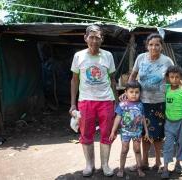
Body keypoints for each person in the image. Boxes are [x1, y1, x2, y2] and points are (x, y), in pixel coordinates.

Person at [69, 25, 117, 177]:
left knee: (106, 133)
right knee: (86, 134)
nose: (94, 40)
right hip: (86, 101)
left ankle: (105, 165)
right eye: (91, 37)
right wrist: (72, 104)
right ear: (85, 38)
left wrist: (115, 102)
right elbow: (74, 80)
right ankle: (89, 165)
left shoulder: (108, 55)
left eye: (97, 37)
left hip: (106, 100)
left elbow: (113, 80)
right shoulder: (79, 56)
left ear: (102, 39)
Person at [126, 33, 174, 172]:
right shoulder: (141, 58)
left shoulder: (167, 61)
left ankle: (158, 162)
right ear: (147, 46)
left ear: (162, 46)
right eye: (151, 44)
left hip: (159, 102)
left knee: (158, 134)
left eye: (157, 44)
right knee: (143, 133)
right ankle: (144, 161)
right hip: (142, 102)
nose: (154, 47)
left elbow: (174, 78)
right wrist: (127, 92)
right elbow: (133, 76)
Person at [109, 81, 150, 178]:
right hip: (125, 133)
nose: (134, 94)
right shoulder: (122, 105)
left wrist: (146, 132)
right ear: (126, 92)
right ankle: (121, 169)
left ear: (140, 93)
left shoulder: (140, 105)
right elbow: (117, 118)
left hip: (137, 132)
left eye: (137, 92)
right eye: (131, 92)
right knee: (124, 150)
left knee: (137, 150)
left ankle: (139, 168)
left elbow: (143, 118)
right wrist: (113, 131)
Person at [161, 65, 182, 179]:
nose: (174, 79)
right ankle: (165, 168)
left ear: (181, 78)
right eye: (171, 77)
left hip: (181, 123)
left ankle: (178, 165)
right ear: (168, 78)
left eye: (177, 77)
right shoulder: (166, 88)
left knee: (181, 145)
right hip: (169, 123)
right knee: (168, 146)